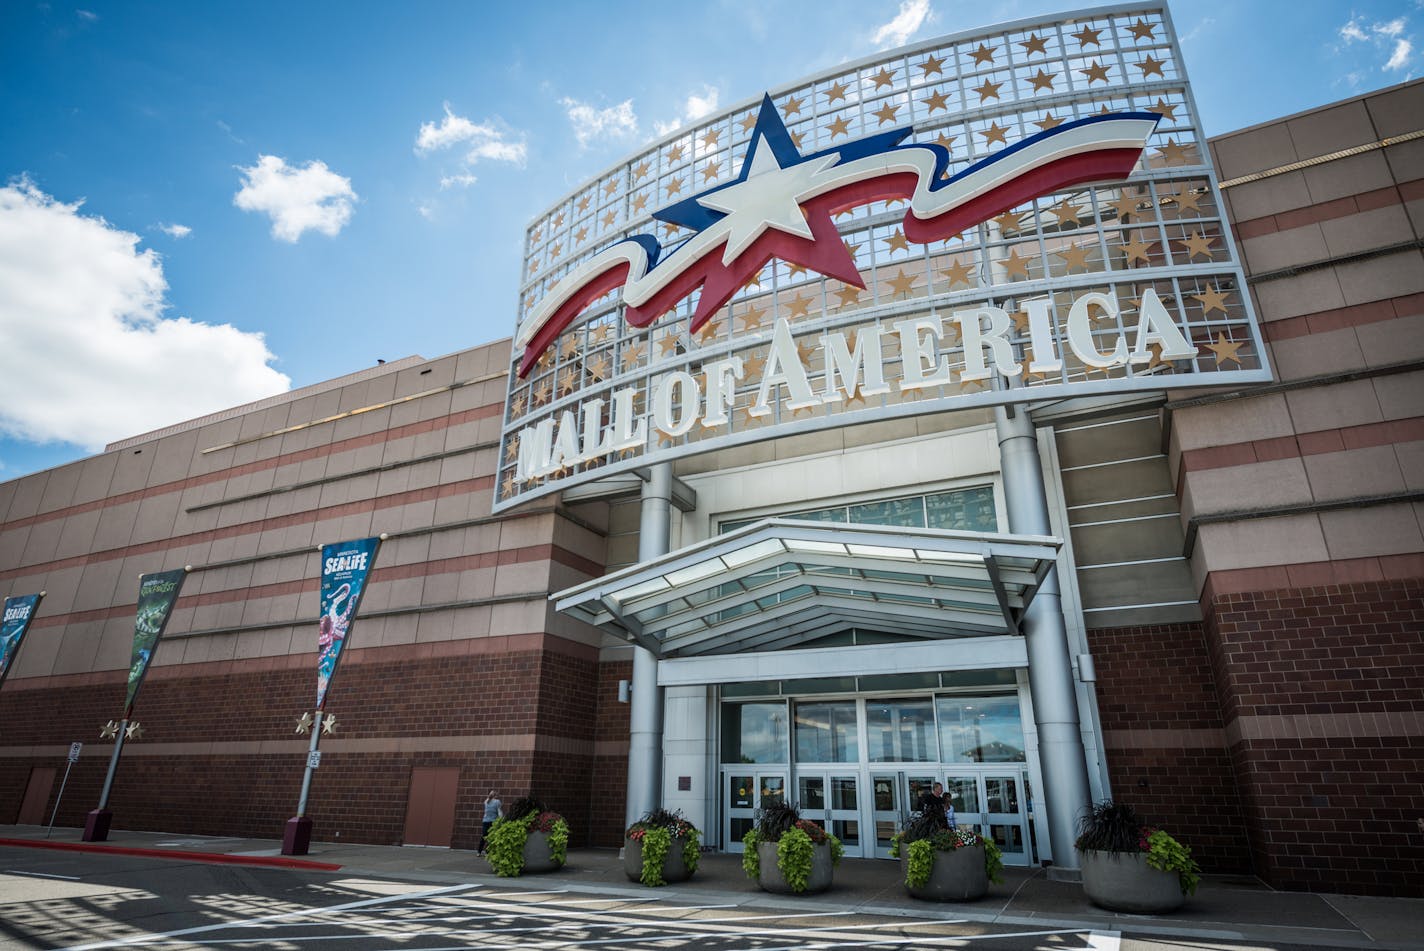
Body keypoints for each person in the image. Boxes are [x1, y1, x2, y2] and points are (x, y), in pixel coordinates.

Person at [479, 790, 502, 854]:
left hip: (485, 821)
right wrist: (501, 819)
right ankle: (488, 852)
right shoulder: (497, 802)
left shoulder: (486, 801)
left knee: (484, 836)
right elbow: (499, 812)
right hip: (493, 822)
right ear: (496, 795)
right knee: (492, 837)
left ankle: (479, 852)